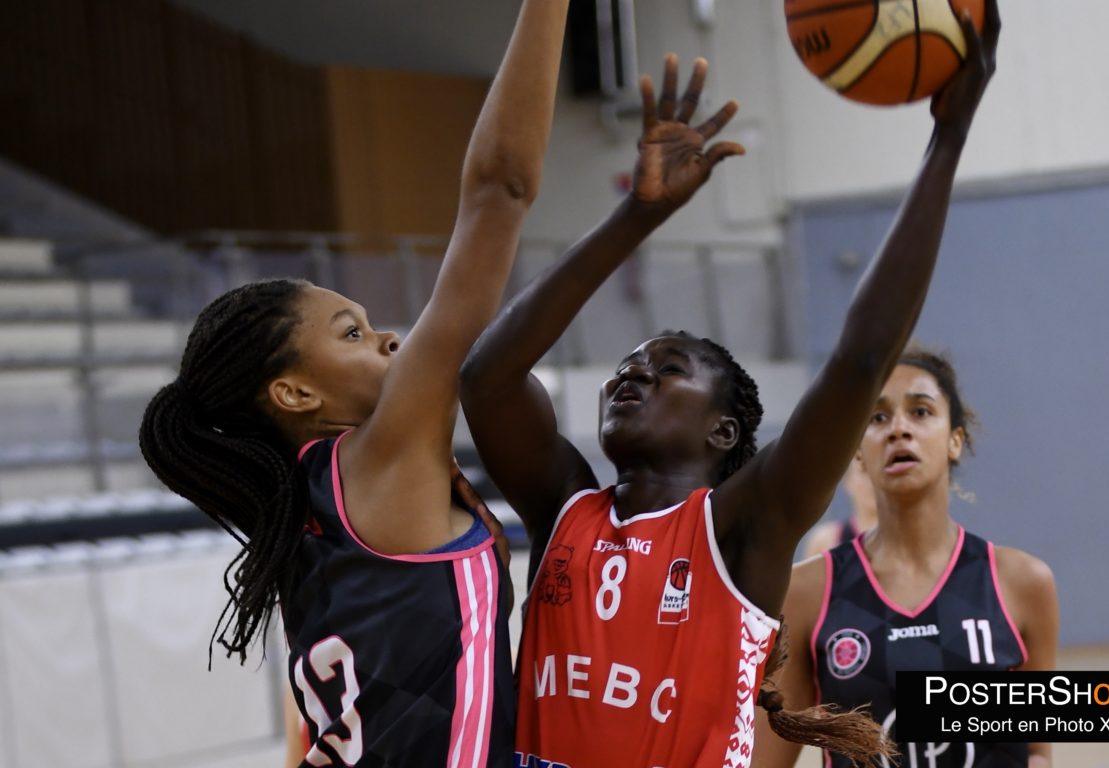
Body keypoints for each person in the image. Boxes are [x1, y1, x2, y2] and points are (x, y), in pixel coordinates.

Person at [459, 3, 1000, 763]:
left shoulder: (743, 525)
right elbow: (485, 376)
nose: (634, 373)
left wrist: (947, 139)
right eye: (627, 366)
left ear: (723, 429)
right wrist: (635, 216)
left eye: (667, 368)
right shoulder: (566, 508)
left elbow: (861, 358)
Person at [137, 1, 569, 764]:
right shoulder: (376, 462)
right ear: (295, 393)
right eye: (352, 334)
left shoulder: (300, 520)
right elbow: (499, 191)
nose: (390, 340)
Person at [750, 348, 1060, 768]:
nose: (898, 429)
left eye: (920, 411)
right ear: (858, 451)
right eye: (878, 418)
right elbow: (765, 760)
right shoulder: (807, 592)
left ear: (954, 439)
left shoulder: (1023, 582)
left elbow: (1036, 752)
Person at [803, 456, 879, 559]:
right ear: (847, 481)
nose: (873, 481)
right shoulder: (825, 542)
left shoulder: (901, 539)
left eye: (878, 471)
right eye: (864, 470)